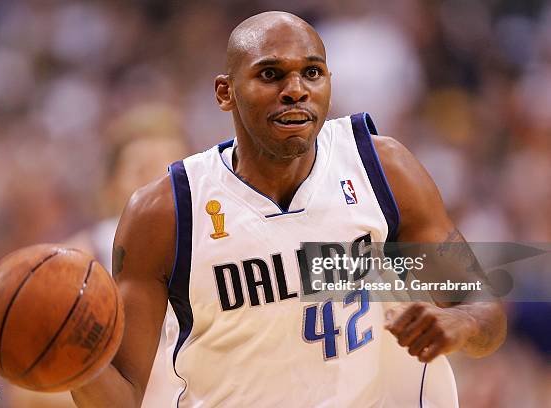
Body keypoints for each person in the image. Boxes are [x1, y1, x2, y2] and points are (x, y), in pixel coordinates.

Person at [71, 11, 506, 407]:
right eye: (271, 74)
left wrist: (462, 324)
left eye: (312, 73)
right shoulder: (164, 212)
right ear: (225, 92)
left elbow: (485, 311)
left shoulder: (383, 170)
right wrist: (70, 357)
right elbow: (124, 397)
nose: (295, 90)